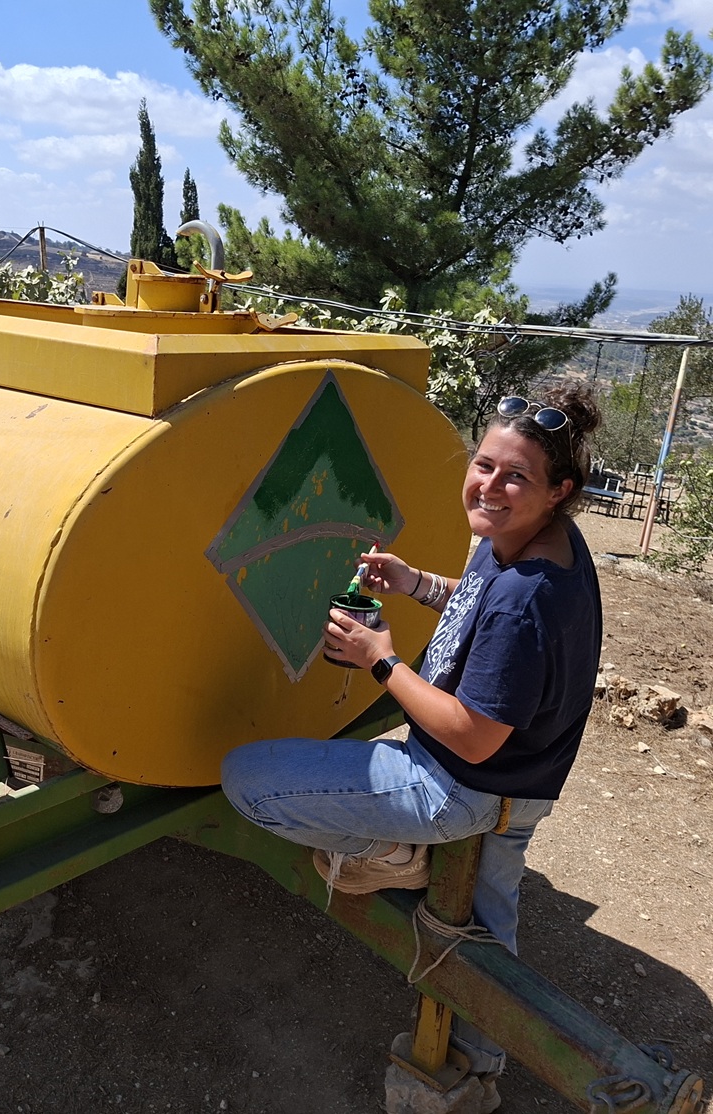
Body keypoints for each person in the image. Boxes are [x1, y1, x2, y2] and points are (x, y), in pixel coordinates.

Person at [220, 385, 603, 1101]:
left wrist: (380, 660)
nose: (489, 485)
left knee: (246, 779)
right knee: (487, 932)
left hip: (459, 784)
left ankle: (395, 852)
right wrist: (416, 582)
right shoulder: (530, 543)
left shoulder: (526, 597)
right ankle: (481, 1065)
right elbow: (479, 602)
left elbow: (473, 736)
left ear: (560, 491)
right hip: (518, 790)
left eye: (516, 476)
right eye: (484, 465)